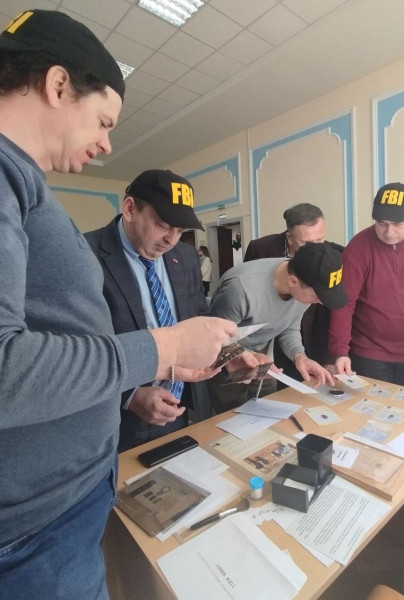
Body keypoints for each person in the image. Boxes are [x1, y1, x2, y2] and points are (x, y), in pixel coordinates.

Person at [0, 10, 236, 599]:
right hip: (34, 530)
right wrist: (164, 347)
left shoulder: (23, 181)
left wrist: (183, 358)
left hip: (62, 501)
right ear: (58, 85)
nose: (107, 143)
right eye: (104, 121)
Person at [86, 171, 243, 451]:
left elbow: (198, 316)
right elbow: (79, 350)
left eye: (180, 231)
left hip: (178, 407)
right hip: (114, 421)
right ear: (130, 209)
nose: (171, 239)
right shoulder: (86, 255)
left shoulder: (185, 256)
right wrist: (130, 396)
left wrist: (231, 354)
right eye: (162, 225)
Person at [329, 182, 404, 390]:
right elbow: (344, 303)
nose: (389, 232)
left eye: (397, 224)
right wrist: (340, 351)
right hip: (368, 352)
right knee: (370, 405)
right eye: (382, 223)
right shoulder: (358, 247)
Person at [208, 241, 348, 412]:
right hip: (224, 358)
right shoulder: (241, 289)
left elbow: (289, 327)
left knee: (267, 411)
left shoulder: (303, 284)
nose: (320, 302)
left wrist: (299, 355)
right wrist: (242, 356)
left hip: (262, 357)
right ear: (293, 282)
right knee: (230, 417)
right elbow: (214, 339)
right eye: (317, 297)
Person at [244, 203, 344, 380]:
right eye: (307, 243)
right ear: (289, 237)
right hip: (269, 338)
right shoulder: (260, 249)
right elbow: (249, 294)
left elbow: (334, 307)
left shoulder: (335, 255)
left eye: (320, 240)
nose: (316, 248)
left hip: (312, 340)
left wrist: (330, 357)